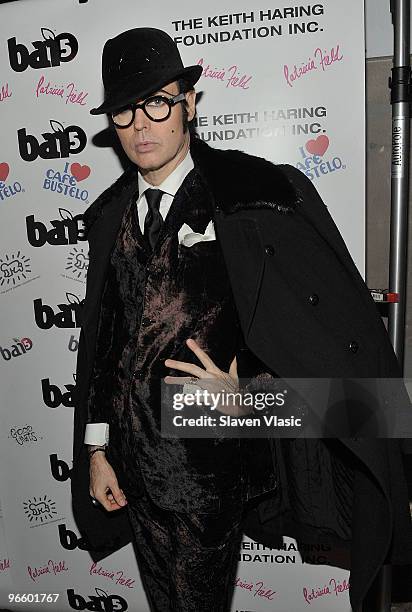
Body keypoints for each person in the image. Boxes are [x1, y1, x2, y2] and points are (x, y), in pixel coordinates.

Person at [71, 27, 412, 612]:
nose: (143, 124)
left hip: (209, 455)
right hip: (132, 464)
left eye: (157, 102)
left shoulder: (253, 196)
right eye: (126, 110)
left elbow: (325, 346)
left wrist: (248, 392)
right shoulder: (108, 218)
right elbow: (105, 344)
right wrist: (98, 449)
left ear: (190, 103)